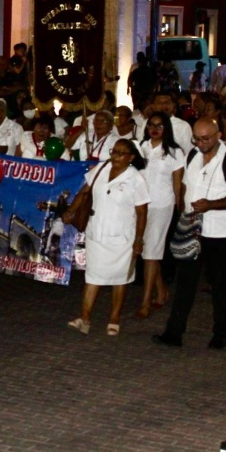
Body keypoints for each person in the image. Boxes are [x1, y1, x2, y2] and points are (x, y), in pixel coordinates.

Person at [153, 118, 226, 349]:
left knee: (220, 284)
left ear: (218, 135)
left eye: (205, 138)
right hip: (192, 228)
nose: (201, 143)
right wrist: (184, 212)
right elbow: (185, 185)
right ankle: (174, 331)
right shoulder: (193, 155)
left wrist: (211, 205)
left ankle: (220, 333)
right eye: (197, 138)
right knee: (185, 281)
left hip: (219, 231)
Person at [66, 139, 150, 335]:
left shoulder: (136, 179)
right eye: (114, 151)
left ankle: (114, 318)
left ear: (131, 158)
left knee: (120, 279)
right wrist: (71, 210)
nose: (115, 156)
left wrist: (139, 239)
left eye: (121, 153)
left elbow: (142, 212)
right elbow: (84, 191)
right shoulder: (102, 168)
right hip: (97, 233)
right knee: (92, 276)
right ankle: (84, 318)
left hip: (122, 237)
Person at [136, 113, 183, 318]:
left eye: (160, 126)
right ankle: (162, 288)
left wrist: (180, 208)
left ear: (167, 129)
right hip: (140, 205)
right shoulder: (140, 148)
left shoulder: (174, 151)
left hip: (163, 205)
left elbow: (178, 183)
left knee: (151, 253)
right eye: (152, 125)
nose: (155, 129)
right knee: (147, 250)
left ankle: (146, 302)